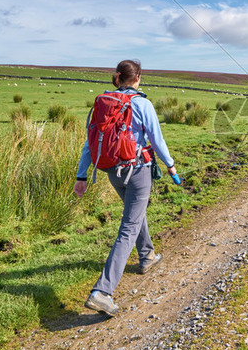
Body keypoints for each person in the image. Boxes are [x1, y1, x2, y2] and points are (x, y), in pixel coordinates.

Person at [73, 59, 181, 316]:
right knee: (128, 228)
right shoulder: (143, 103)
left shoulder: (102, 103)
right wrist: (171, 165)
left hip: (111, 171)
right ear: (137, 78)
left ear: (118, 78)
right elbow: (156, 139)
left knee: (135, 213)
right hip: (138, 171)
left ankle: (147, 256)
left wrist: (81, 176)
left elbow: (90, 143)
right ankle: (102, 292)